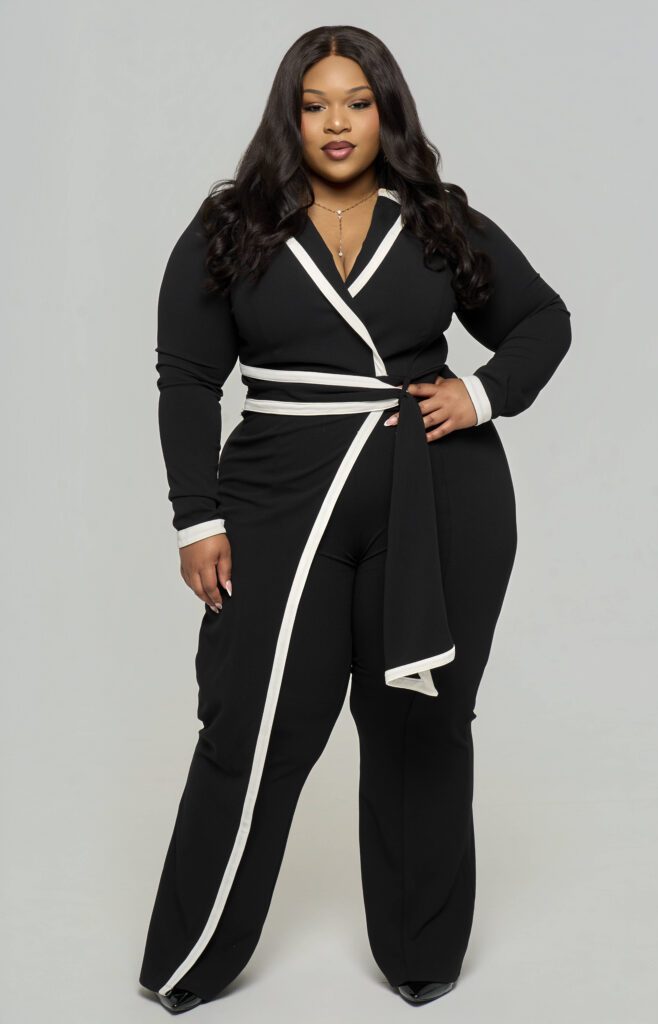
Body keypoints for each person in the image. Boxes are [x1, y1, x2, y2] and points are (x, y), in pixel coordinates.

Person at [138, 24, 572, 1015]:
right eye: (315, 104)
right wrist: (195, 519)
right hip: (277, 498)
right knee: (255, 719)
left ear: (386, 113)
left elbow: (540, 320)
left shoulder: (436, 220)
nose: (336, 123)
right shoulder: (234, 225)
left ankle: (421, 954)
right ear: (289, 117)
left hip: (440, 499)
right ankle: (191, 958)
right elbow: (187, 379)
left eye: (357, 102)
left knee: (423, 720)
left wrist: (481, 393)